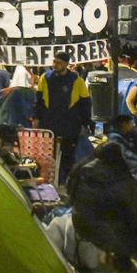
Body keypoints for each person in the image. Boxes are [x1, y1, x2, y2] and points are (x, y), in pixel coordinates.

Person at [67, 143, 137, 273]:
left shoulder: (82, 170)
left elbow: (70, 192)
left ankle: (121, 264)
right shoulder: (123, 180)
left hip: (82, 224)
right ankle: (134, 269)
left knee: (118, 223)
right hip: (109, 236)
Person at [33, 51, 92, 185]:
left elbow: (85, 104)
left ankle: (66, 183)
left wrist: (85, 123)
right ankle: (48, 182)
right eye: (54, 61)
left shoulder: (77, 80)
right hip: (49, 122)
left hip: (70, 124)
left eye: (59, 62)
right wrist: (36, 118)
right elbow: (38, 100)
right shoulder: (45, 77)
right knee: (48, 155)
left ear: (66, 64)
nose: (55, 65)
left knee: (68, 156)